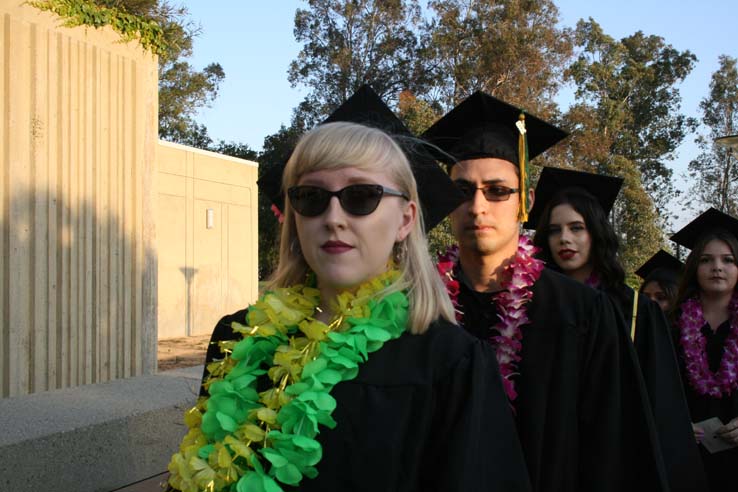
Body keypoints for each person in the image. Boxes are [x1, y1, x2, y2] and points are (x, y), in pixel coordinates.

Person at [166, 92, 531, 492]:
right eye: (311, 198)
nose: (333, 218)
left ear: (406, 219)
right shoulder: (238, 339)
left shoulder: (449, 363)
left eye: (361, 197)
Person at [423, 91, 668, 492]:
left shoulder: (583, 313)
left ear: (527, 202)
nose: (478, 206)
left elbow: (612, 451)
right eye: (462, 190)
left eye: (498, 190)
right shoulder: (417, 308)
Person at [530, 166, 708, 492]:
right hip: (549, 459)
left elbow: (660, 403)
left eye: (576, 228)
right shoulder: (532, 307)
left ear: (596, 233)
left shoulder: (637, 310)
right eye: (554, 230)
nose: (564, 238)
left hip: (618, 462)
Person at [670, 207, 738, 492]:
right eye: (706, 260)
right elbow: (657, 388)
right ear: (694, 267)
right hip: (684, 455)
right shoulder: (670, 326)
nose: (717, 267)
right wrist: (673, 423)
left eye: (728, 260)